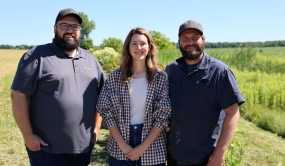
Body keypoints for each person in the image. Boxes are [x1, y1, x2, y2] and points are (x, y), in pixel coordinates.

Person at [10, 8, 106, 166]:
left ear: (80, 31)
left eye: (74, 27)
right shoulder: (37, 56)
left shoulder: (90, 59)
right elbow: (18, 95)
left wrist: (96, 127)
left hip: (82, 148)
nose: (70, 30)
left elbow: (102, 96)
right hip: (46, 149)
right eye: (64, 26)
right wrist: (28, 136)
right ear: (55, 28)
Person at [165, 20, 245, 166]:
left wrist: (219, 153)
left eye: (195, 37)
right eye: (185, 38)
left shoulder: (220, 72)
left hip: (205, 158)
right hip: (174, 155)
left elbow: (232, 112)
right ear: (179, 42)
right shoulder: (171, 70)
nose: (190, 42)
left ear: (203, 39)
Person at [96, 28, 171, 166]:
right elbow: (105, 110)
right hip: (120, 144)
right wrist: (122, 144)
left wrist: (142, 147)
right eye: (134, 43)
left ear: (149, 47)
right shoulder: (115, 77)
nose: (139, 47)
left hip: (153, 145)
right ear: (128, 47)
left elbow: (163, 114)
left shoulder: (160, 78)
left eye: (143, 43)